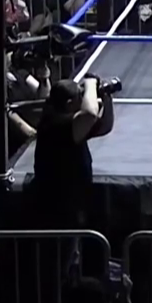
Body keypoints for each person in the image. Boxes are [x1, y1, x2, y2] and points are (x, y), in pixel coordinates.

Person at [26, 77, 115, 232]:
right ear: (69, 104)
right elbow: (90, 114)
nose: (84, 99)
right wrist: (90, 83)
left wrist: (107, 98)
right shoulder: (55, 124)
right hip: (56, 207)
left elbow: (104, 127)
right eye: (80, 96)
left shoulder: (71, 123)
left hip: (74, 201)